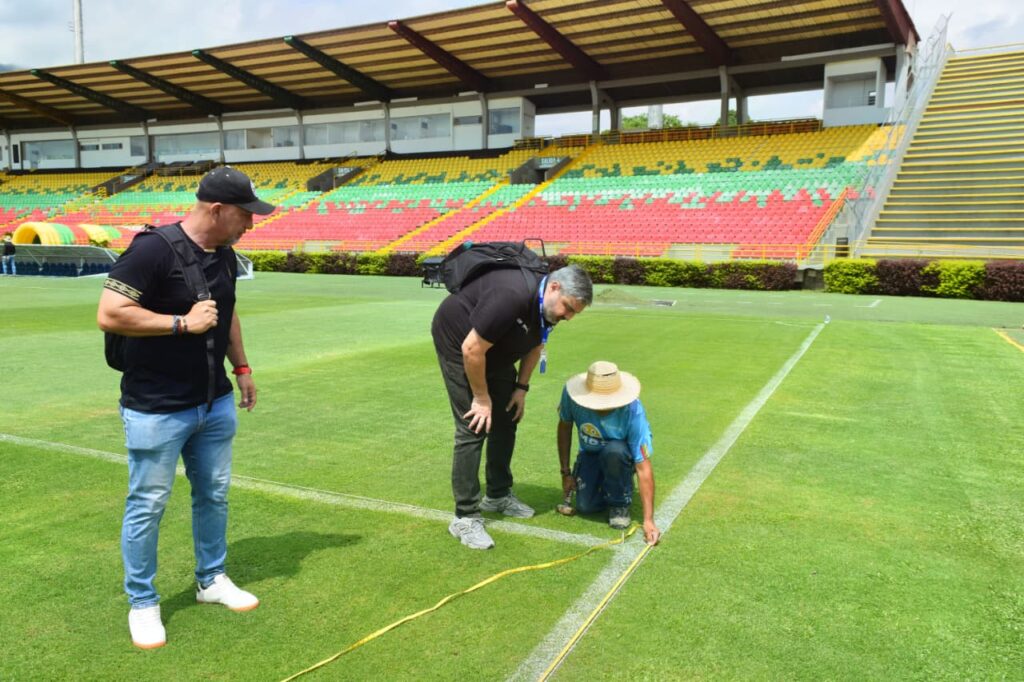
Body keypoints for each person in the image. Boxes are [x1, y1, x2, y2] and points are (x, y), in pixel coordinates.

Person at [96, 167, 273, 650]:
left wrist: (242, 367)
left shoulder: (225, 254)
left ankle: (211, 579)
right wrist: (181, 324)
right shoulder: (151, 250)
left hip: (214, 402)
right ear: (216, 209)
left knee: (213, 494)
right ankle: (142, 602)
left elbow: (226, 311)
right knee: (148, 504)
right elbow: (109, 313)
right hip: (156, 407)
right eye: (245, 215)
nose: (251, 224)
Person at [432, 263, 593, 549]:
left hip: (494, 347)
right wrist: (481, 399)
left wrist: (521, 388)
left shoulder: (548, 307)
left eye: (574, 313)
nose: (568, 317)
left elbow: (536, 344)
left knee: (507, 415)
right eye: (568, 308)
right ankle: (465, 517)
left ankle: (497, 495)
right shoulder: (511, 295)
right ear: (554, 287)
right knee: (474, 425)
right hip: (461, 344)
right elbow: (472, 349)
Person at [557, 361, 661, 545]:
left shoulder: (633, 411)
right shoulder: (571, 397)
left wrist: (648, 520)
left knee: (614, 451)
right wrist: (565, 473)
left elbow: (643, 467)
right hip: (590, 454)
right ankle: (609, 485)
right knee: (585, 506)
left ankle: (620, 502)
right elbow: (564, 427)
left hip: (619, 456)